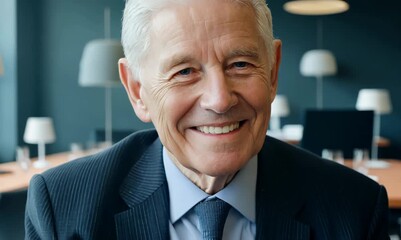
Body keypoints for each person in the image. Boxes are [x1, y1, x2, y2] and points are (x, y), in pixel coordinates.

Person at [25, 0, 390, 239]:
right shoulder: (63, 209)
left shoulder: (354, 210)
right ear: (137, 90)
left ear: (274, 71)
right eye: (184, 71)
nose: (219, 99)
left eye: (241, 64)